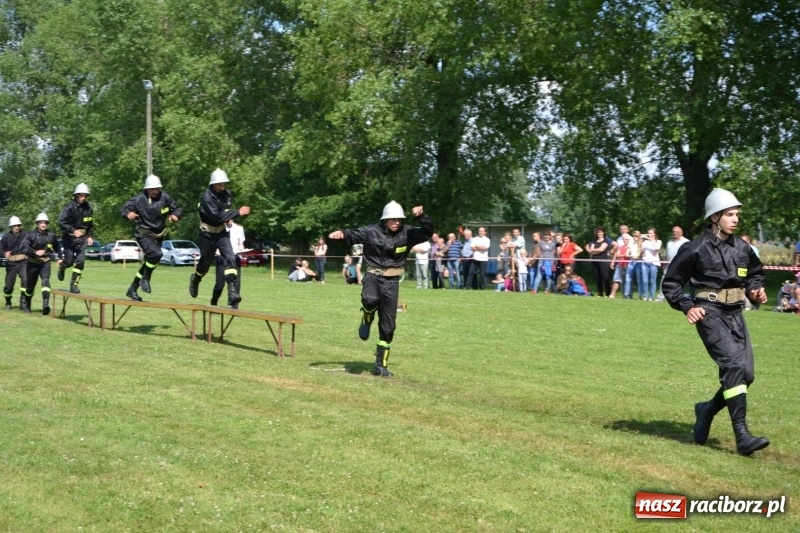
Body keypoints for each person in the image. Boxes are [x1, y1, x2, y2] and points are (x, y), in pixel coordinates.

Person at [662, 188, 769, 456]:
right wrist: (687, 306)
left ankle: (707, 409)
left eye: (736, 215)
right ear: (715, 217)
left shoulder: (743, 248)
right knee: (733, 365)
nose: (735, 219)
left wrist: (756, 290)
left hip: (735, 314)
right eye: (730, 214)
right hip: (709, 313)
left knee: (745, 375)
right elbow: (671, 283)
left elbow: (755, 275)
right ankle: (742, 435)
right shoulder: (694, 248)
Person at [328, 200, 433, 377]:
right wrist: (343, 234)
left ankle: (380, 366)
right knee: (370, 299)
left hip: (392, 282)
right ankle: (367, 317)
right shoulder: (372, 231)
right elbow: (355, 234)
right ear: (385, 220)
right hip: (373, 277)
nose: (397, 223)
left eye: (399, 219)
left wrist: (422, 216)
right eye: (393, 219)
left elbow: (428, 232)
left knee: (388, 326)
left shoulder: (408, 233)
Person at [188, 169, 250, 306]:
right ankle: (196, 279)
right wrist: (238, 213)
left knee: (230, 257)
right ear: (213, 184)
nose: (222, 188)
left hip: (222, 233)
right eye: (220, 185)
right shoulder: (206, 197)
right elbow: (215, 216)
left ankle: (232, 291)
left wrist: (228, 218)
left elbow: (225, 211)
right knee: (204, 265)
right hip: (207, 234)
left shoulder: (227, 195)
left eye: (224, 185)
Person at [120, 174, 183, 301]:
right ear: (147, 189)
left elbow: (177, 208)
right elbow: (123, 208)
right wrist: (128, 213)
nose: (155, 191)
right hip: (143, 234)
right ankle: (146, 279)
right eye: (152, 189)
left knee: (149, 262)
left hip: (158, 236)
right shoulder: (138, 199)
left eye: (157, 189)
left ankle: (132, 289)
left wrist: (176, 215)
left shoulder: (165, 197)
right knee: (157, 254)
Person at [58, 182, 94, 294]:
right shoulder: (69, 207)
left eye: (85, 196)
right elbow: (62, 222)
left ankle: (74, 285)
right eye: (81, 195)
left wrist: (89, 236)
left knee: (80, 261)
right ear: (76, 195)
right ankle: (62, 267)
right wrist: (73, 231)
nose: (83, 198)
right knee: (69, 262)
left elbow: (90, 224)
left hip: (82, 239)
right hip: (69, 238)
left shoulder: (88, 208)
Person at [21, 213, 61, 315]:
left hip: (45, 263)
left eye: (45, 223)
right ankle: (28, 304)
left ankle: (45, 305)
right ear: (37, 224)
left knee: (46, 281)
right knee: (30, 287)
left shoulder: (51, 236)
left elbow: (58, 247)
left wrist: (61, 258)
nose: (43, 225)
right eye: (41, 223)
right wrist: (35, 252)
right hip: (32, 263)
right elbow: (24, 247)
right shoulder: (30, 235)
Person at [211, 219, 245, 308]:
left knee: (235, 284)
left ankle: (234, 308)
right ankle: (214, 303)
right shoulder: (218, 229)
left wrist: (242, 249)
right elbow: (214, 243)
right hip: (222, 258)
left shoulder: (239, 229)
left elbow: (240, 243)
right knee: (219, 285)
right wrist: (216, 250)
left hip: (235, 258)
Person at [1, 216, 28, 311]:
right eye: (14, 226)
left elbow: (31, 243)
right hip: (11, 264)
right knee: (9, 286)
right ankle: (8, 302)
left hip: (23, 262)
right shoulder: (6, 237)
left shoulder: (25, 235)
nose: (16, 227)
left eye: (18, 225)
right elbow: (1, 248)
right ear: (11, 227)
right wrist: (4, 253)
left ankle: (23, 302)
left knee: (25, 280)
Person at [656, 226, 690, 301]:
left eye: (677, 232)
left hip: (680, 266)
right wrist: (664, 263)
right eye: (674, 231)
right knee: (664, 281)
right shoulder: (669, 242)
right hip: (668, 266)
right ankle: (660, 298)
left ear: (681, 232)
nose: (675, 233)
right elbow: (667, 254)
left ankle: (678, 298)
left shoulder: (686, 242)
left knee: (679, 283)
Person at [585, 227, 613, 297]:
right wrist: (591, 250)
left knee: (605, 277)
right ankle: (600, 293)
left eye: (601, 232)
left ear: (603, 233)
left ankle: (608, 293)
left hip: (603, 261)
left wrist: (592, 250)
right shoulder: (593, 241)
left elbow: (601, 250)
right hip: (594, 261)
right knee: (597, 278)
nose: (599, 233)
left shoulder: (606, 241)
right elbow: (588, 247)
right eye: (598, 232)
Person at [640, 228, 663, 301]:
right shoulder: (645, 242)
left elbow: (657, 249)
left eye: (651, 233)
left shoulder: (658, 241)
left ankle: (651, 296)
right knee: (645, 280)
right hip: (645, 261)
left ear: (654, 234)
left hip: (653, 263)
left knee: (652, 281)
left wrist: (652, 240)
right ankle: (645, 296)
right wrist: (640, 240)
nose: (649, 234)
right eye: (648, 233)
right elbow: (641, 249)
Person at [608, 234, 630, 299]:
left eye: (626, 239)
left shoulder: (631, 247)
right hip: (619, 264)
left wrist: (621, 255)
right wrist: (613, 262)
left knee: (626, 281)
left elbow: (631, 255)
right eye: (624, 239)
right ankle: (612, 295)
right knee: (616, 279)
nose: (625, 240)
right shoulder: (621, 247)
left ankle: (625, 295)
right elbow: (616, 255)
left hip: (628, 265)